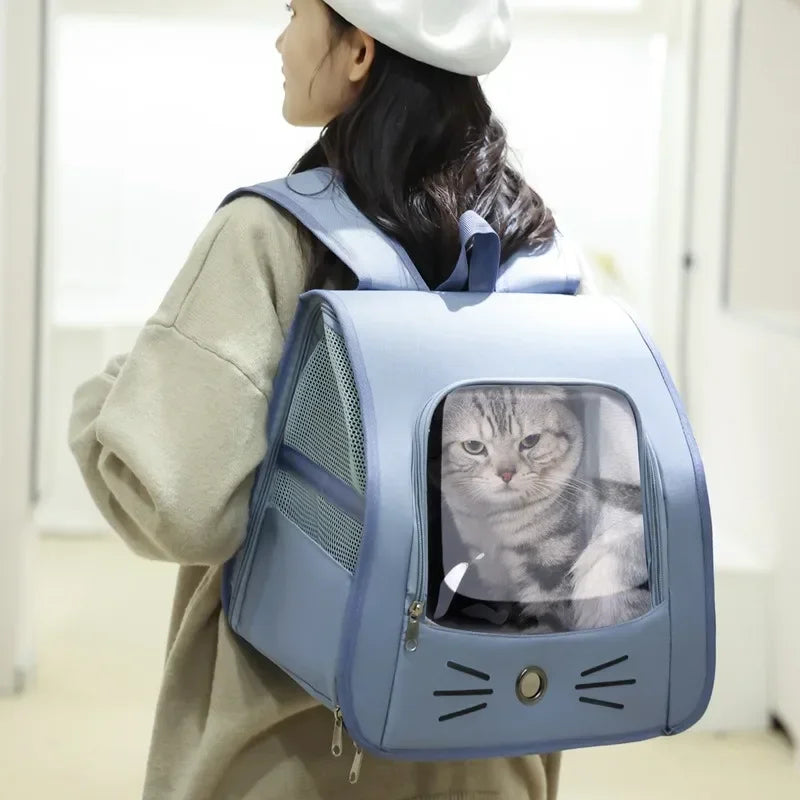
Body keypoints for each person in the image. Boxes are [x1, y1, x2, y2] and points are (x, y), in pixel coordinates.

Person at [69, 1, 575, 797]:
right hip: (495, 738)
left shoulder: (270, 234)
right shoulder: (529, 250)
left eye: (296, 11)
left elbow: (179, 506)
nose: (281, 39)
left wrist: (104, 402)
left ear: (359, 52)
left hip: (294, 751)